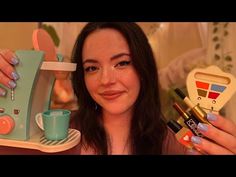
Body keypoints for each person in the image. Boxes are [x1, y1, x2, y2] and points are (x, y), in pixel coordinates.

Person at [0, 22, 236, 155]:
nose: (106, 80)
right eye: (92, 68)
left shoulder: (172, 143)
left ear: (143, 68)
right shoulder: (56, 132)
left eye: (122, 63)